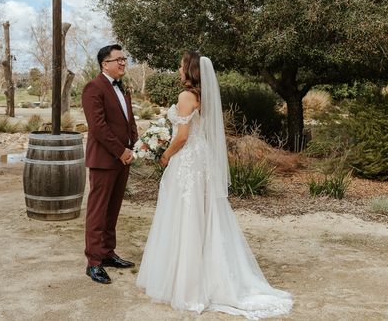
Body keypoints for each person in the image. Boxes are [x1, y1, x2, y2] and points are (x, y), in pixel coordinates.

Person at [136, 51, 293, 318]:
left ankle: (188, 287)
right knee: (202, 215)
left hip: (187, 160)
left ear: (190, 69)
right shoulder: (203, 96)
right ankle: (204, 275)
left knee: (185, 215)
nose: (178, 68)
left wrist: (165, 154)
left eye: (181, 65)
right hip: (202, 160)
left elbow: (183, 136)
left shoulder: (186, 96)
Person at [82, 44, 138, 284]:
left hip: (123, 159)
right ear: (105, 64)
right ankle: (94, 262)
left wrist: (134, 145)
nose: (123, 63)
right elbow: (98, 127)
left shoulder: (123, 88)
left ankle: (107, 253)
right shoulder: (93, 88)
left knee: (113, 209)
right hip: (105, 160)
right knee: (98, 211)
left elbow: (129, 120)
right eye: (119, 60)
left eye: (125, 59)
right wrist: (120, 151)